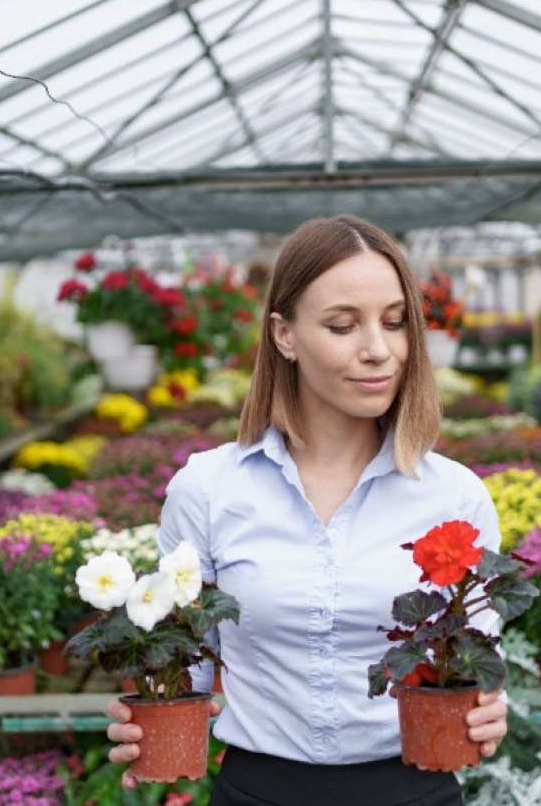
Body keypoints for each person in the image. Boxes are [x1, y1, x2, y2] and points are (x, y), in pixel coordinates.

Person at [106, 215, 507, 806]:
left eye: (395, 323)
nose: (377, 350)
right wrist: (144, 725)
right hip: (259, 790)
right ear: (284, 335)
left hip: (415, 789)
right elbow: (180, 667)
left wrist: (491, 714)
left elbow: (480, 664)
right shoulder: (210, 489)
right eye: (343, 325)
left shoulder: (454, 496)